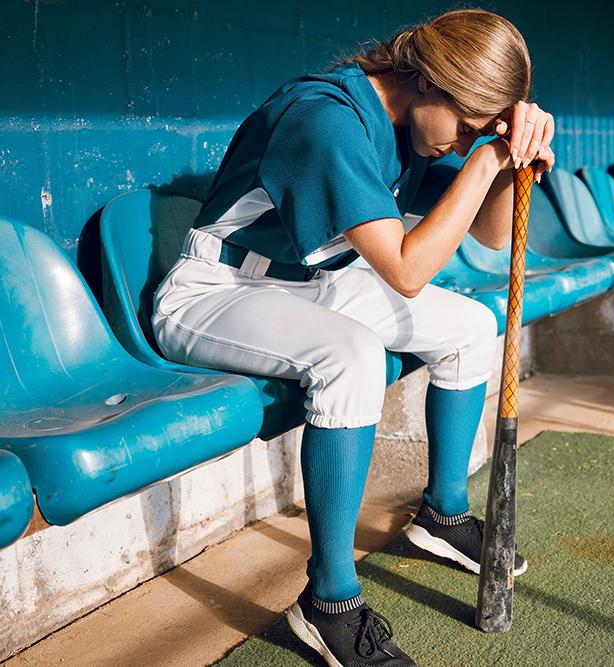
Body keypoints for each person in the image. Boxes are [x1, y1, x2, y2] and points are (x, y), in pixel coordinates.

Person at [151, 8, 554, 666]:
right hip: (217, 290)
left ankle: (444, 514)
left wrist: (517, 163)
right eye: (465, 127)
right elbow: (406, 269)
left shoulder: (411, 125)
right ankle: (328, 600)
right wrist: (486, 159)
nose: (459, 146)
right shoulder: (325, 118)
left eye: (476, 135)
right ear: (427, 81)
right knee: (353, 356)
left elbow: (488, 232)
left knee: (473, 326)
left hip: (318, 281)